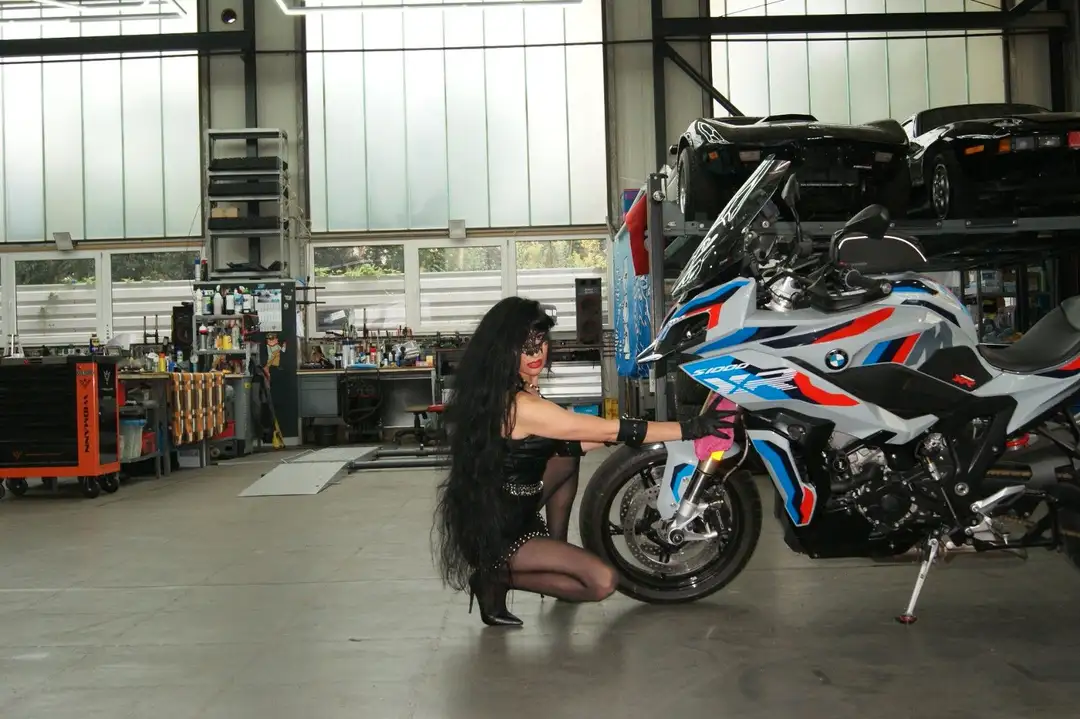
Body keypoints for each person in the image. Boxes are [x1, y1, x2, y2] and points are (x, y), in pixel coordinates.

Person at [432, 296, 733, 627]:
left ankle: (552, 550)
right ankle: (493, 577)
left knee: (566, 459)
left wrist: (641, 435)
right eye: (524, 346)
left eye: (540, 341)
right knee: (602, 581)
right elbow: (605, 428)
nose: (536, 353)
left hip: (511, 506)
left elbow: (573, 442)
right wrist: (689, 429)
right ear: (503, 350)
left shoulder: (513, 389)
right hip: (497, 532)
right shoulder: (522, 406)